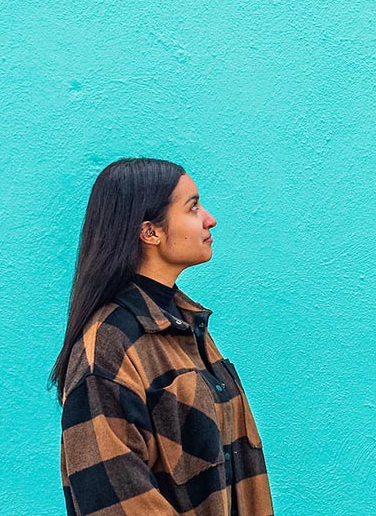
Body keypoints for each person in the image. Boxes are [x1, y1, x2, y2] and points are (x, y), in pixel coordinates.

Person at [51, 157, 273, 515]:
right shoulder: (107, 349)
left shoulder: (186, 327)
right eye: (193, 207)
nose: (209, 219)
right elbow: (112, 504)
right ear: (150, 232)